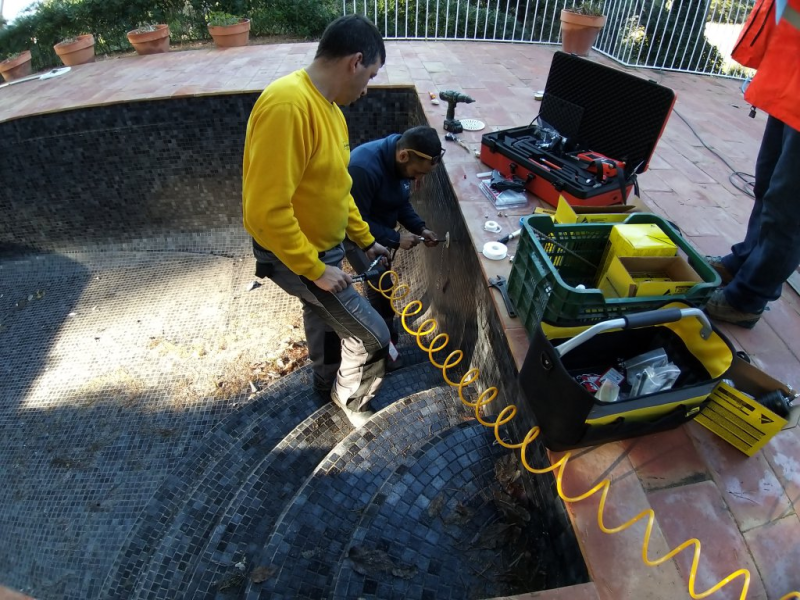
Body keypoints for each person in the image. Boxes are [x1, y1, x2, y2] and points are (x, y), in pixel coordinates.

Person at [242, 14, 390, 427]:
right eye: (371, 74)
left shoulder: (330, 109)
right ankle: (353, 405)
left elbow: (336, 188)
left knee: (323, 314)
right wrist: (315, 270)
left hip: (321, 251)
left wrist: (363, 239)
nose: (368, 87)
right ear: (355, 61)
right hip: (296, 256)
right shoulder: (288, 105)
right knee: (371, 336)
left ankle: (325, 380)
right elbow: (264, 211)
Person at [704, 0, 800, 329]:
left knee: (788, 210)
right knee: (768, 187)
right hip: (790, 80)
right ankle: (744, 259)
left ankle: (748, 298)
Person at [344, 126, 443, 369]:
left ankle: (389, 339)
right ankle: (382, 348)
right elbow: (353, 222)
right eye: (416, 174)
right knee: (381, 286)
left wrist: (420, 228)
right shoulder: (363, 168)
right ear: (403, 156)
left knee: (381, 286)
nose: (417, 181)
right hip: (357, 238)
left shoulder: (402, 167)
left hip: (380, 233)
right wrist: (394, 238)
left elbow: (400, 203)